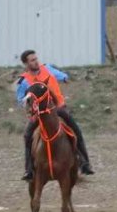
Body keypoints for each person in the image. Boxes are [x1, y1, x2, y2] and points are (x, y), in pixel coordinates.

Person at [17, 50, 94, 180]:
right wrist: (26, 101)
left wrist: (65, 77)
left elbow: (62, 76)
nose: (36, 61)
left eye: (36, 59)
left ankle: (84, 162)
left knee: (76, 130)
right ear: (26, 63)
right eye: (32, 60)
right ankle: (29, 169)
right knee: (28, 135)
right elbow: (20, 100)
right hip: (40, 113)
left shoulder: (47, 69)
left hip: (58, 108)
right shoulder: (24, 81)